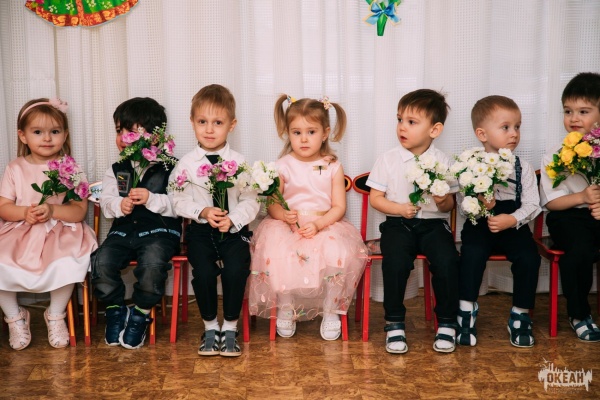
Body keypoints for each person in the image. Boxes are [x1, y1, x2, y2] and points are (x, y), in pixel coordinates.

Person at [248, 94, 367, 342]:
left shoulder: (332, 166)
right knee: (278, 252)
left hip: (324, 224)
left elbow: (339, 207)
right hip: (288, 227)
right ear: (287, 133)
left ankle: (331, 309)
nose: (303, 139)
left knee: (338, 251)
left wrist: (318, 224)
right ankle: (286, 305)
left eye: (311, 132)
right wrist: (284, 215)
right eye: (297, 132)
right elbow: (273, 205)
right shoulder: (282, 165)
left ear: (325, 133)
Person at [0, 98, 97, 350]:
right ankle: (14, 316)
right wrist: (24, 212)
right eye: (37, 132)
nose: (47, 138)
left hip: (59, 230)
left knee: (68, 261)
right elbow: (4, 206)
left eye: (54, 131)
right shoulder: (15, 168)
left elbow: (78, 211)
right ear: (22, 136)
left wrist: (53, 209)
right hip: (21, 229)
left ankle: (55, 314)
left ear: (65, 134)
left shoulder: (71, 168)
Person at [367, 89, 459, 354]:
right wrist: (398, 208)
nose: (402, 127)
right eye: (399, 120)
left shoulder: (443, 161)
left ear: (435, 129)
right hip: (398, 224)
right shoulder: (387, 159)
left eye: (411, 122)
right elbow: (376, 199)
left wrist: (442, 199)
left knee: (447, 261)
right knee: (395, 262)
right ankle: (394, 322)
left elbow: (450, 205)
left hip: (433, 225)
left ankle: (447, 322)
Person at [171, 84, 258, 357]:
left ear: (232, 125)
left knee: (235, 270)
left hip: (233, 231)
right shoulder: (186, 164)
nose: (209, 129)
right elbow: (176, 199)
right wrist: (203, 212)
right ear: (192, 122)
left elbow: (251, 200)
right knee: (205, 273)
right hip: (201, 232)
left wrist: (233, 219)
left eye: (217, 123)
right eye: (202, 122)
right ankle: (210, 327)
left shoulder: (240, 162)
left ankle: (230, 327)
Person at [91, 97, 182, 349]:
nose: (122, 137)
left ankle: (140, 312)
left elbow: (180, 205)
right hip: (124, 233)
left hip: (159, 233)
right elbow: (106, 201)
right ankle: (115, 309)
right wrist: (118, 205)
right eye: (118, 131)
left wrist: (152, 199)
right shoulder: (117, 169)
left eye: (130, 131)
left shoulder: (172, 167)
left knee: (152, 264)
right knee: (101, 261)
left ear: (154, 136)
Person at [457, 95, 541, 348]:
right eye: (505, 127)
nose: (514, 133)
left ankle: (520, 314)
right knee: (471, 254)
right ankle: (466, 310)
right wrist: (482, 206)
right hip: (480, 224)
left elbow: (533, 204)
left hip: (513, 224)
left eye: (517, 127)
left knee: (529, 257)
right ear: (482, 134)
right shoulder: (470, 166)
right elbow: (463, 206)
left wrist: (511, 219)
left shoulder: (522, 167)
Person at [540, 72, 600, 342]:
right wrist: (583, 197)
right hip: (567, 216)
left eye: (583, 111)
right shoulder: (554, 154)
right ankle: (579, 314)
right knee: (579, 251)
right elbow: (551, 202)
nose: (574, 118)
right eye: (568, 111)